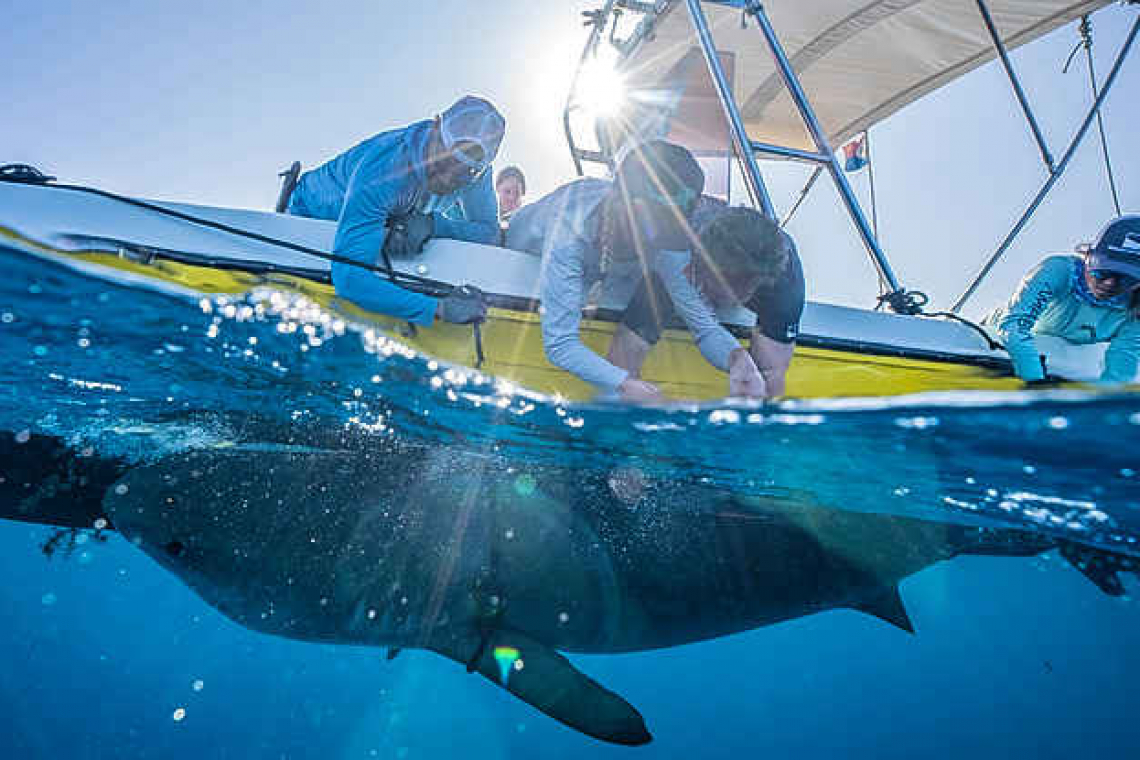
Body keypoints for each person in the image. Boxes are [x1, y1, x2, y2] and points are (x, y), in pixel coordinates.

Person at [505, 140, 766, 403]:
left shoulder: (667, 244)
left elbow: (705, 327)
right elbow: (560, 345)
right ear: (618, 202)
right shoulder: (569, 227)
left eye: (666, 230)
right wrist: (628, 385)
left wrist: (740, 361)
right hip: (511, 241)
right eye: (646, 224)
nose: (653, 239)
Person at [285, 95, 505, 326]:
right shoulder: (385, 169)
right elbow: (349, 279)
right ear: (435, 127)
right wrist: (438, 308)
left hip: (387, 213)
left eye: (464, 173)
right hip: (309, 212)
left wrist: (433, 225)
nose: (449, 177)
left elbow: (491, 233)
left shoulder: (478, 174)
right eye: (445, 160)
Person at [606, 199, 804, 398]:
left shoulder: (784, 285)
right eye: (708, 282)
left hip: (767, 271)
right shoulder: (676, 251)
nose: (706, 291)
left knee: (765, 376)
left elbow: (771, 380)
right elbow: (621, 360)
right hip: (692, 241)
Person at [984, 215, 1140, 384]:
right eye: (1103, 271)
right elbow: (1013, 325)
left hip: (1059, 358)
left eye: (1126, 278)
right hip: (995, 338)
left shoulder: (1136, 309)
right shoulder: (1058, 270)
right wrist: (1035, 383)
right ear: (1088, 258)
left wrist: (1102, 405)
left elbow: (1123, 363)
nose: (1110, 283)